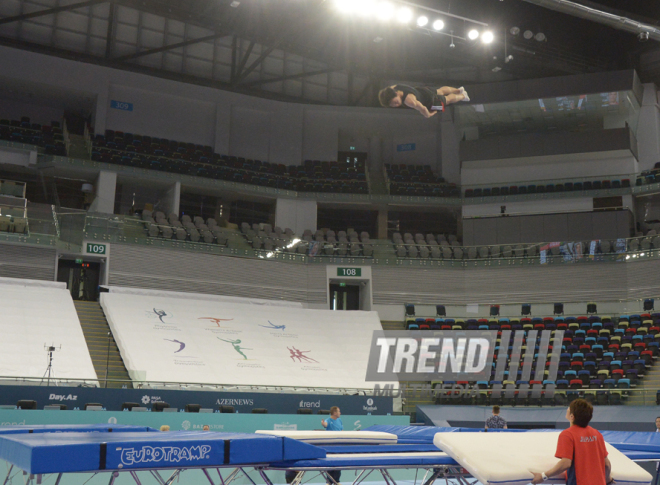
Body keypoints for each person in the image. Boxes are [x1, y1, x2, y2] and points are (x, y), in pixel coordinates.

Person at [531, 399, 613, 485]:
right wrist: (608, 480)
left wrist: (543, 476)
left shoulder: (568, 435)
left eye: (569, 408)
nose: (567, 409)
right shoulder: (597, 434)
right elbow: (607, 464)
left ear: (572, 416)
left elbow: (565, 463)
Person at [378, 84, 469, 118]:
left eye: (394, 102)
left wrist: (428, 115)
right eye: (392, 105)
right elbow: (387, 90)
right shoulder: (394, 87)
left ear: (395, 94)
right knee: (440, 91)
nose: (395, 105)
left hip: (430, 102)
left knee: (447, 100)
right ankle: (458, 90)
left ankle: (463, 95)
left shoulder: (409, 101)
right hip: (423, 91)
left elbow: (423, 108)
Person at [321, 407, 343, 484]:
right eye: (339, 411)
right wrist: (323, 424)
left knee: (338, 463)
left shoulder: (339, 420)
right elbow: (325, 424)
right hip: (330, 446)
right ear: (334, 413)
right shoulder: (328, 420)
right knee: (330, 463)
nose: (340, 413)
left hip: (338, 446)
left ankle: (337, 481)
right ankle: (329, 481)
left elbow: (342, 430)